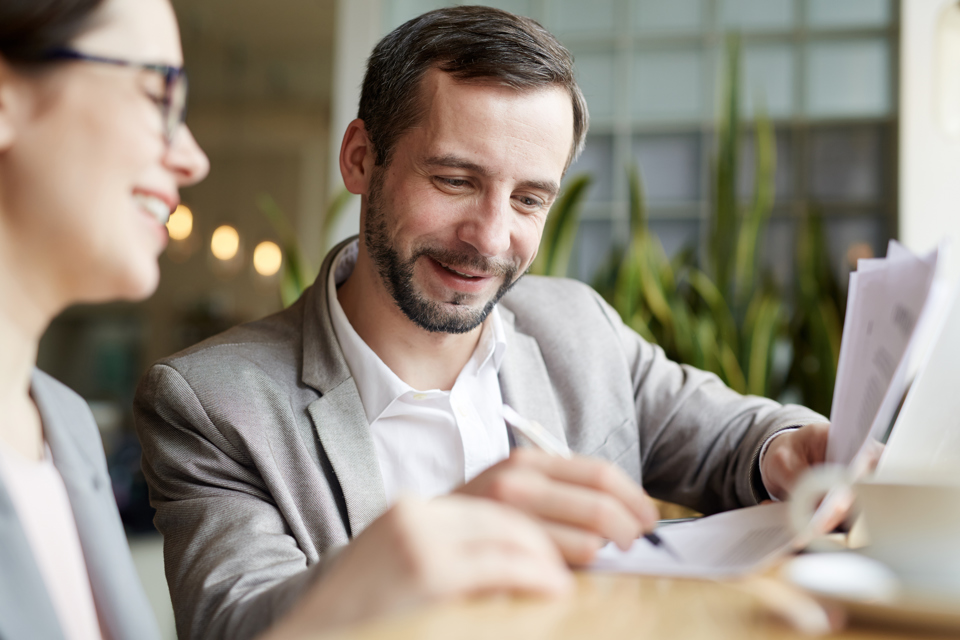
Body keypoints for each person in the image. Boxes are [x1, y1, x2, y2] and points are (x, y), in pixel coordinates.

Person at [133, 5, 831, 640]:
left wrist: (790, 448)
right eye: (455, 181)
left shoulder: (576, 326)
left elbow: (738, 439)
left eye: (528, 199)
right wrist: (422, 549)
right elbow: (233, 624)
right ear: (360, 159)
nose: (491, 239)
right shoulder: (213, 403)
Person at [0, 1, 569, 639]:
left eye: (528, 198)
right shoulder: (208, 402)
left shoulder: (62, 426)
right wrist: (385, 571)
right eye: (157, 95)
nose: (192, 157)